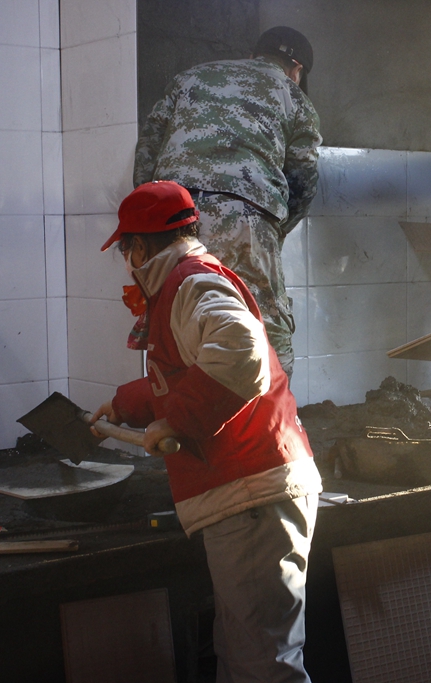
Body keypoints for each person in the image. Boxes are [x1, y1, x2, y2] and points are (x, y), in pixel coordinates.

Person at [90, 180, 322, 683]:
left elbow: (241, 352)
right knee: (242, 655)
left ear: (141, 245)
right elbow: (189, 375)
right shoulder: (186, 282)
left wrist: (176, 422)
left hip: (254, 494)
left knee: (263, 666)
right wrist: (125, 405)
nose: (126, 260)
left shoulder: (192, 281)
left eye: (126, 248)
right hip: (246, 494)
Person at [133, 26, 322, 379]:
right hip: (243, 217)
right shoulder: (295, 99)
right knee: (264, 330)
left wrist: (149, 224)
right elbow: (303, 183)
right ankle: (271, 426)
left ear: (254, 56)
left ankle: (175, 426)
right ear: (296, 71)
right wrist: (272, 231)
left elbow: (147, 152)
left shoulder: (189, 79)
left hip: (170, 223)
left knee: (176, 324)